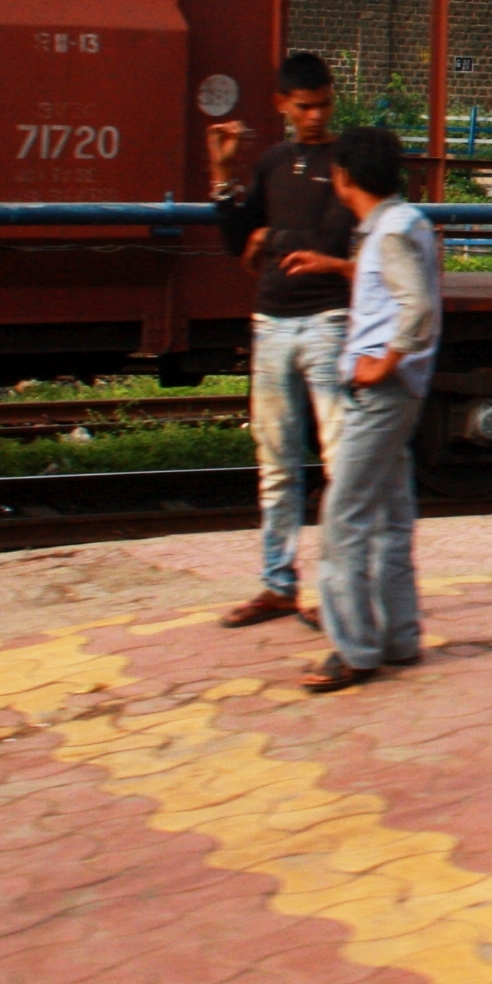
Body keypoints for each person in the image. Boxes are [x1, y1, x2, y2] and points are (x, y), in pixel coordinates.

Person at [280, 127, 440, 693]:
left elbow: (415, 307)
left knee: (342, 515)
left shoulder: (388, 234)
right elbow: (392, 284)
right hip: (400, 393)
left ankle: (354, 650)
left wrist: (384, 361)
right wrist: (335, 267)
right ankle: (399, 636)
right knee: (392, 516)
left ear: (345, 178)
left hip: (381, 394)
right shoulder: (404, 223)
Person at [208, 52, 356, 630]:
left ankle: (331, 588)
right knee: (275, 464)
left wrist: (276, 235)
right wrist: (222, 176)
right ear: (282, 106)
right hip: (272, 321)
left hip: (326, 321)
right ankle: (277, 585)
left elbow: (334, 235)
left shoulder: (345, 162)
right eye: (304, 107)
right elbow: (236, 239)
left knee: (340, 462)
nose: (315, 116)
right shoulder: (271, 161)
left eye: (323, 104)